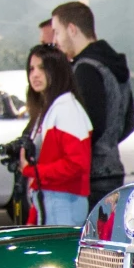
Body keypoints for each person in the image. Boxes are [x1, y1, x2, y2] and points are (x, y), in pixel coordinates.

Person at [48, 0, 134, 207]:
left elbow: (88, 127)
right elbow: (131, 122)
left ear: (72, 29)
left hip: (91, 177)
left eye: (57, 32)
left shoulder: (85, 69)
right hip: (113, 170)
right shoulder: (114, 64)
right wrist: (109, 142)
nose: (56, 40)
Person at [20, 44, 92, 226]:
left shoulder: (66, 110)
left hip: (64, 203)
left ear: (56, 71)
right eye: (31, 68)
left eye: (42, 68)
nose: (34, 74)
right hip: (51, 201)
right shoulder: (51, 110)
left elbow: (76, 164)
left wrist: (30, 169)